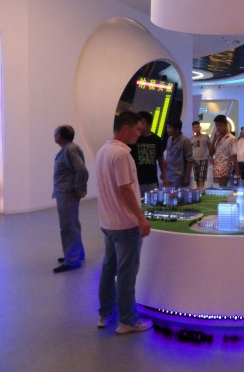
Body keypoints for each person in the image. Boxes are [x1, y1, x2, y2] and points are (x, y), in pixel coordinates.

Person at [95, 111, 152, 334]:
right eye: (137, 129)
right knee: (126, 274)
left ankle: (105, 313)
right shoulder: (121, 155)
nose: (139, 133)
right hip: (125, 224)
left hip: (108, 222)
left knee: (108, 269)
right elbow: (125, 189)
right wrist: (140, 218)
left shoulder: (103, 151)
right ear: (126, 128)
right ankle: (127, 320)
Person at [52, 124, 89, 273]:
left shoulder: (69, 150)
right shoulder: (68, 149)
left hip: (67, 194)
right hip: (65, 193)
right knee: (72, 224)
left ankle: (72, 260)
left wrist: (79, 187)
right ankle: (76, 253)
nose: (54, 135)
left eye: (56, 133)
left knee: (67, 227)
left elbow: (82, 170)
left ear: (61, 136)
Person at [130, 111, 168, 194]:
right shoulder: (133, 139)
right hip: (136, 180)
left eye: (142, 123)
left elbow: (161, 159)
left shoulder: (156, 140)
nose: (139, 126)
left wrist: (165, 176)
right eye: (138, 123)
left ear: (149, 124)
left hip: (152, 180)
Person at [209, 114, 239, 186]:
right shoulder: (217, 137)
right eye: (216, 125)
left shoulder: (232, 138)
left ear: (225, 125)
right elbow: (210, 153)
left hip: (225, 169)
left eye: (219, 125)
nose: (217, 128)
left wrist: (237, 174)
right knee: (216, 189)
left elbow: (234, 157)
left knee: (221, 189)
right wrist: (214, 139)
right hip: (216, 168)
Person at [165, 119, 193, 188]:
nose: (167, 129)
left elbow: (190, 160)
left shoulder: (184, 140)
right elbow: (168, 157)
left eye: (170, 127)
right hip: (168, 175)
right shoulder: (169, 139)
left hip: (179, 177)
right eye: (167, 127)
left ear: (177, 129)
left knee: (177, 194)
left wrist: (187, 177)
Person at [189, 120, 211, 190]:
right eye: (194, 127)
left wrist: (211, 157)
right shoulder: (192, 139)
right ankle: (199, 190)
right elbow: (190, 150)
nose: (196, 129)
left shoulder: (205, 137)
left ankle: (200, 190)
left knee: (202, 177)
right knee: (196, 177)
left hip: (204, 158)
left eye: (197, 127)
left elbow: (209, 147)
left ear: (200, 128)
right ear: (192, 129)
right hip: (195, 159)